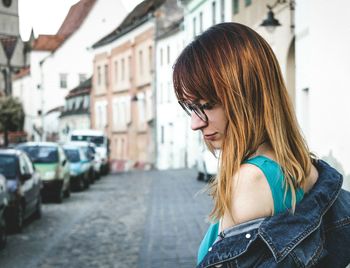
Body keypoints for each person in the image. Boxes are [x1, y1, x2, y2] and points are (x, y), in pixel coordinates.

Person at [173, 22, 350, 267]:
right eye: (191, 107)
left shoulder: (251, 180)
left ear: (247, 96)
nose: (195, 123)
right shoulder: (305, 166)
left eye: (207, 105)